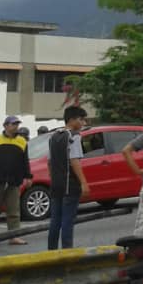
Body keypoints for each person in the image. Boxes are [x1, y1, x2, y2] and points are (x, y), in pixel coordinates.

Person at [0, 116, 32, 245]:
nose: (16, 126)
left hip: (14, 181)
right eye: (13, 124)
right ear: (6, 126)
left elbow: (25, 161)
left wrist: (28, 176)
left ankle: (14, 236)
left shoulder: (22, 142)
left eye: (17, 124)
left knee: (14, 210)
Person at [46, 106, 91, 250]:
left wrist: (52, 177)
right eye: (81, 119)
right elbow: (75, 161)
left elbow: (49, 161)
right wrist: (84, 183)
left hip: (56, 185)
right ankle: (67, 250)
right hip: (69, 185)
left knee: (55, 221)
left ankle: (51, 251)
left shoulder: (54, 136)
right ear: (71, 120)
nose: (83, 123)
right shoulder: (74, 137)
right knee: (67, 220)